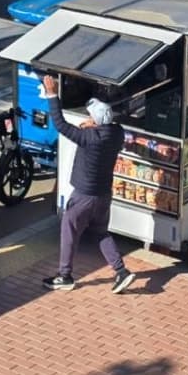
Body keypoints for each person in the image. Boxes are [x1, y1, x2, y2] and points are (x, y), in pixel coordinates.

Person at [40, 75, 136, 294]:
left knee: (68, 229)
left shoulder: (89, 138)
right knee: (101, 232)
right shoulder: (116, 134)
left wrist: (52, 94)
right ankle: (121, 272)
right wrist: (92, 125)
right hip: (103, 195)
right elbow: (106, 127)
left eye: (90, 116)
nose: (87, 118)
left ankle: (64, 276)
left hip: (83, 196)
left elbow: (60, 124)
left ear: (95, 122)